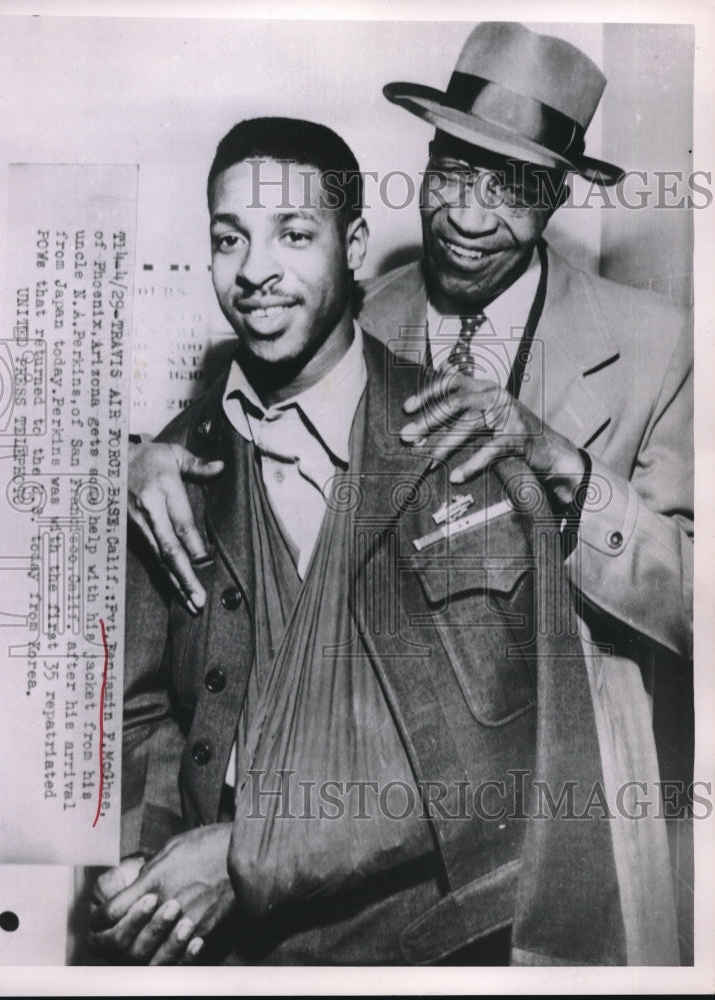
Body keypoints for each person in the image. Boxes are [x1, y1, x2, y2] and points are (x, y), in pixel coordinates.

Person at [126, 23, 693, 960]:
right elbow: (234, 433)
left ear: (555, 195)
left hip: (567, 787)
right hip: (367, 813)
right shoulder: (351, 310)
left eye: (510, 187)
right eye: (452, 172)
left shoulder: (655, 344)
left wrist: (568, 472)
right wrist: (139, 459)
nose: (468, 216)